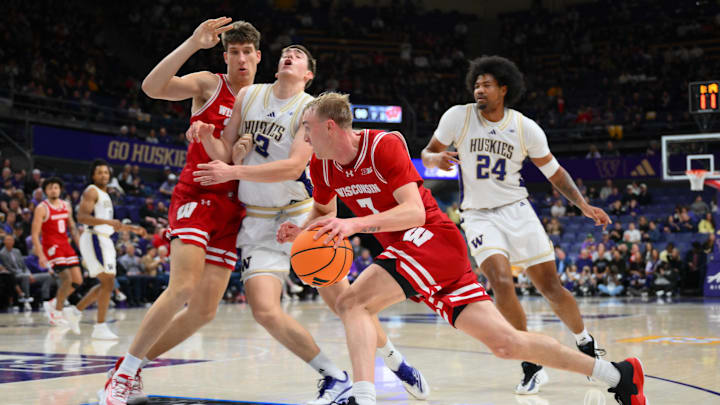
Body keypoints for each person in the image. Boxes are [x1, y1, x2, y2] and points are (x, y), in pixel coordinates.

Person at [278, 92, 646, 405]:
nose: (303, 136)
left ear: (330, 126)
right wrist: (303, 230)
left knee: (351, 302)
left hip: (431, 238)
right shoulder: (322, 167)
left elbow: (414, 211)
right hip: (417, 258)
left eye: (307, 128)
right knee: (506, 344)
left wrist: (354, 224)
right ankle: (617, 375)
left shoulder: (384, 145)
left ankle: (362, 396)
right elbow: (324, 212)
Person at [190, 45, 427, 405]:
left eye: (298, 55)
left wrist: (234, 170)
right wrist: (208, 139)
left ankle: (396, 361)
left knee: (345, 303)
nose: (289, 55)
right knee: (264, 310)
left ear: (308, 75)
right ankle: (333, 376)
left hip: (300, 212)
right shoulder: (250, 95)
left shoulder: (311, 111)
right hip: (256, 216)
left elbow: (293, 167)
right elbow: (224, 154)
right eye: (285, 52)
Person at [421, 55, 610, 393]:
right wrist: (436, 159)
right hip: (478, 215)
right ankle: (530, 362)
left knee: (551, 288)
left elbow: (555, 173)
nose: (479, 89)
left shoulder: (525, 127)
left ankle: (585, 342)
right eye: (476, 84)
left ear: (503, 89)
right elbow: (428, 153)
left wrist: (582, 205)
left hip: (517, 211)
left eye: (487, 84)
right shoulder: (458, 116)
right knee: (500, 282)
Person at [100, 18, 261, 405]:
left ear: (258, 57)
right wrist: (191, 43)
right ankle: (122, 376)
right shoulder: (209, 83)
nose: (240, 58)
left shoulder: (263, 101)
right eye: (233, 52)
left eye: (246, 52)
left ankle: (131, 365)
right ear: (225, 57)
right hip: (196, 194)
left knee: (205, 311)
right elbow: (152, 88)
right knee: (183, 286)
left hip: (234, 207)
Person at [75, 160, 147, 341]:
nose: (103, 176)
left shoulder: (105, 195)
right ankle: (98, 326)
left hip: (104, 238)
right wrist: (108, 223)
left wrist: (133, 229)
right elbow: (82, 217)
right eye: (99, 172)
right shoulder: (92, 191)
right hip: (94, 237)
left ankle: (75, 311)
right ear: (93, 175)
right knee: (108, 282)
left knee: (107, 282)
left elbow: (112, 225)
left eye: (106, 172)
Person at [31, 177, 83, 331]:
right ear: (46, 191)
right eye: (50, 188)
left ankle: (54, 303)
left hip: (66, 245)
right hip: (52, 247)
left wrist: (82, 247)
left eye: (56, 187)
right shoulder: (42, 208)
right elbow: (35, 234)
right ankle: (57, 313)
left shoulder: (66, 205)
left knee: (78, 281)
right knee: (66, 278)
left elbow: (72, 228)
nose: (53, 190)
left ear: (60, 189)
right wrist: (41, 255)